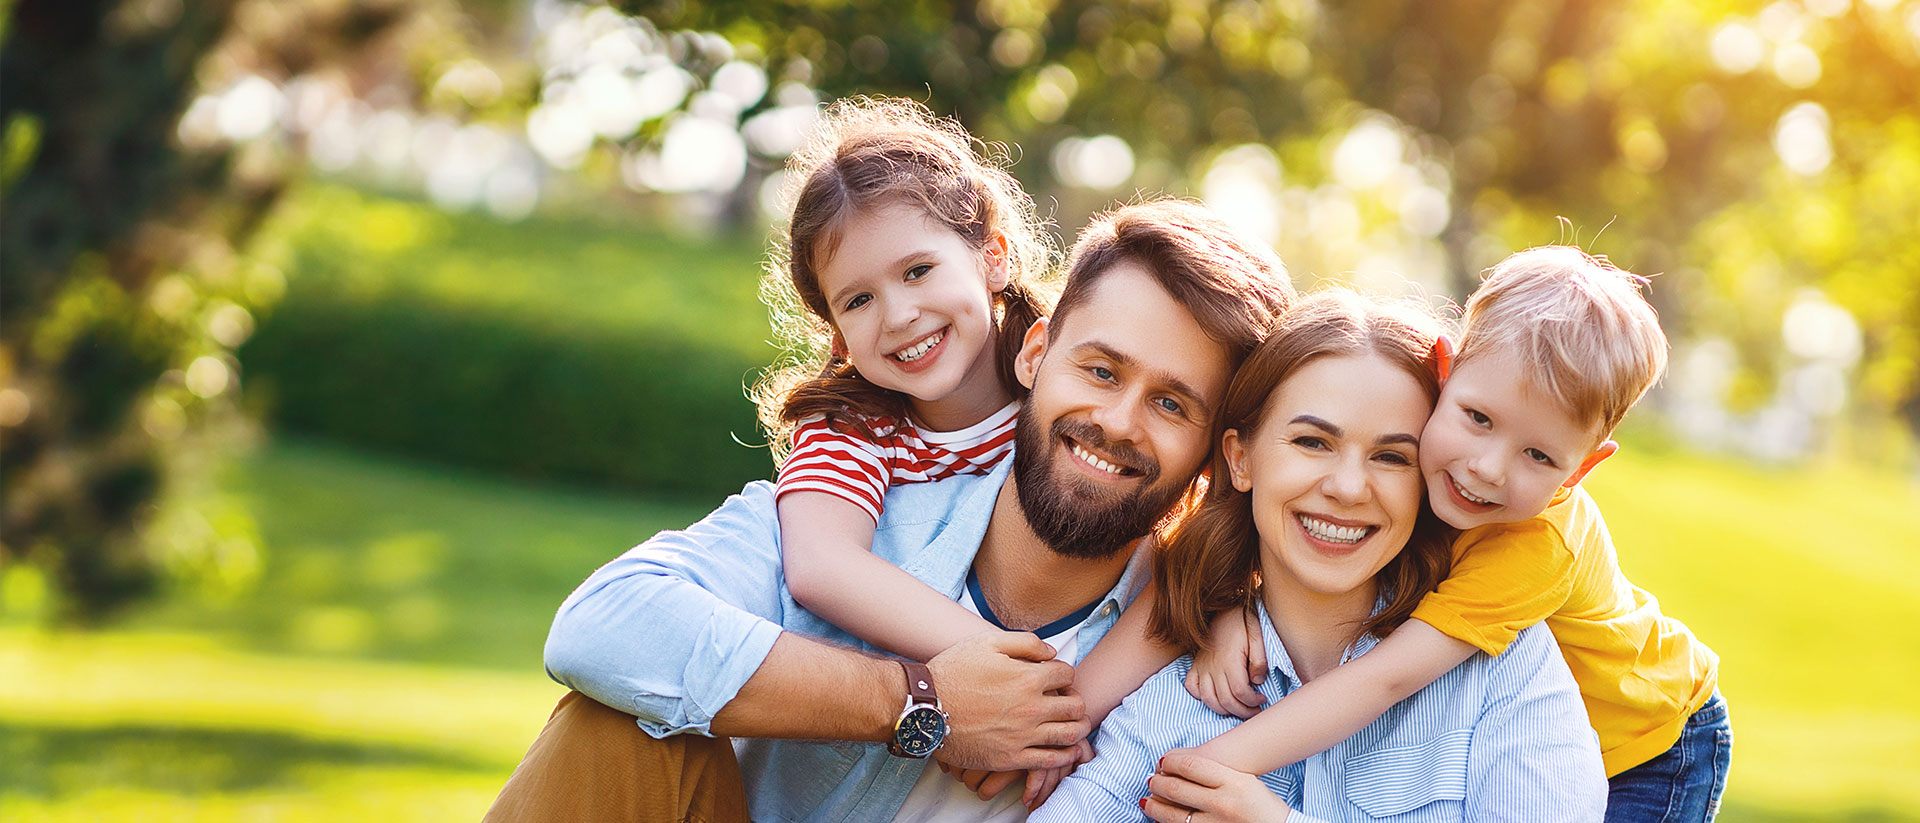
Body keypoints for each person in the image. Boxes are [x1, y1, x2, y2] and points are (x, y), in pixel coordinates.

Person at [482, 198, 1294, 822]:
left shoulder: (1197, 648)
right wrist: (918, 704)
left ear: (1217, 454)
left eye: (1173, 404)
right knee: (617, 728)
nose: (1119, 422)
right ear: (1037, 352)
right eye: (1102, 370)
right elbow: (602, 625)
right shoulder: (849, 517)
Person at [1177, 247, 1728, 822]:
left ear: (1582, 468)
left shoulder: (1535, 546)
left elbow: (1385, 680)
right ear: (1445, 373)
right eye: (1478, 418)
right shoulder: (1425, 474)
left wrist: (1212, 766)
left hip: (1655, 739)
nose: (1487, 468)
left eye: (1538, 455)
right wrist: (1232, 608)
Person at [1032, 289, 1607, 823]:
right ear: (1241, 459)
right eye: (1312, 442)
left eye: (1391, 457)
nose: (1349, 488)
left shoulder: (1503, 666)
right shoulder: (1171, 695)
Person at [755, 96, 1056, 666]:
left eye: (918, 271)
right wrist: (1007, 662)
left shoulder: (1065, 385)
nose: (897, 316)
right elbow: (822, 565)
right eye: (859, 300)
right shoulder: (852, 429)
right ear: (837, 336)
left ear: (993, 258)